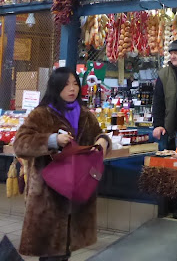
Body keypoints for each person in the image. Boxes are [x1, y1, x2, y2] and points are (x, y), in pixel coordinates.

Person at [13, 67, 111, 261]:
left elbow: (99, 134)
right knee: (51, 252)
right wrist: (52, 140)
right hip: (48, 195)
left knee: (64, 250)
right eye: (66, 85)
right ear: (56, 87)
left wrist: (103, 141)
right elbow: (20, 143)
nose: (72, 89)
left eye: (75, 84)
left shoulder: (85, 115)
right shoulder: (41, 114)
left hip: (77, 190)